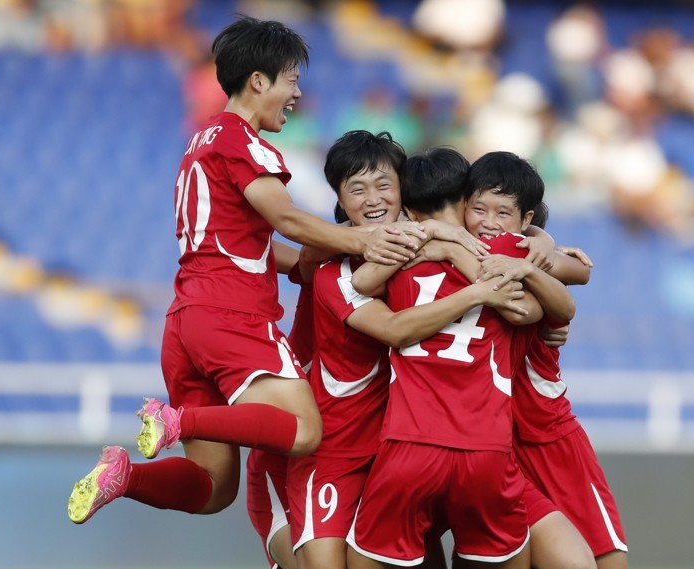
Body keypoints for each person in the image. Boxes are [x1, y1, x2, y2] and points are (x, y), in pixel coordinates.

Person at [67, 15, 426, 528]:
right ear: (260, 81)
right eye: (292, 79)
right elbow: (286, 216)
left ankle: (126, 476)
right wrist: (361, 238)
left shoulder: (200, 145)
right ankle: (174, 420)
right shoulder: (245, 141)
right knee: (303, 429)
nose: (297, 93)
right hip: (231, 316)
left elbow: (249, 244)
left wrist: (309, 261)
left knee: (212, 489)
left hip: (186, 324)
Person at [259, 130, 524, 569]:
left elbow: (517, 260)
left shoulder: (418, 246)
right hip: (329, 453)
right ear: (341, 205)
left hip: (392, 457)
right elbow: (398, 327)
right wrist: (478, 281)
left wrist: (527, 252)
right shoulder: (333, 268)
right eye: (359, 188)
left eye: (386, 184)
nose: (375, 197)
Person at [326, 146, 579, 569]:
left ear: (406, 202)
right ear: (467, 201)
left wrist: (429, 242)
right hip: (489, 457)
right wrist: (477, 252)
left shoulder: (396, 261)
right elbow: (549, 307)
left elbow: (358, 291)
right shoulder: (503, 262)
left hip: (410, 449)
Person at [447, 151, 693, 569]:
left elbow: (569, 276)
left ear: (525, 218)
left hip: (551, 447)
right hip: (483, 452)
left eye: (502, 210)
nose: (486, 219)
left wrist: (538, 254)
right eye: (478, 206)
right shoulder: (454, 258)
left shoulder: (526, 257)